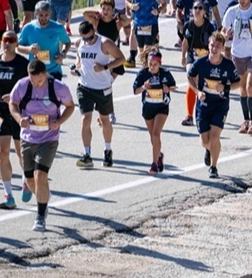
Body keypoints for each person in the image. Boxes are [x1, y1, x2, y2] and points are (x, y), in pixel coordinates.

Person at [9, 59, 75, 231]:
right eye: (33, 81)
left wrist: (59, 121)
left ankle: (40, 216)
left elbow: (70, 106)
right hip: (28, 138)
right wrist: (19, 119)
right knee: (30, 180)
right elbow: (13, 103)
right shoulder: (22, 85)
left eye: (39, 81)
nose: (37, 84)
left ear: (45, 74)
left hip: (48, 139)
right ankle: (43, 198)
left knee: (40, 175)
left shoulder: (58, 87)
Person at [73, 21, 126, 169]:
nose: (88, 41)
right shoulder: (79, 43)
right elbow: (79, 58)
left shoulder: (105, 43)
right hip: (84, 86)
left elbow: (121, 59)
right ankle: (87, 155)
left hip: (102, 87)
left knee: (104, 120)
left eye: (90, 38)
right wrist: (76, 67)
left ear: (94, 30)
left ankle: (107, 150)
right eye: (85, 39)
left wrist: (104, 67)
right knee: (85, 120)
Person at [187, 31, 240, 178]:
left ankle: (213, 167)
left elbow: (238, 83)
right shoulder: (201, 63)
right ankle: (209, 150)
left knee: (215, 137)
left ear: (222, 48)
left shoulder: (228, 65)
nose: (214, 48)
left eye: (217, 46)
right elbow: (190, 77)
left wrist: (226, 87)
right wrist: (198, 92)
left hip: (220, 105)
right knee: (205, 141)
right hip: (203, 105)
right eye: (212, 45)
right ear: (208, 45)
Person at [221, 0, 252, 136]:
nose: (241, 0)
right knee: (242, 88)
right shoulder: (232, 12)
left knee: (250, 86)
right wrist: (225, 35)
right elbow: (223, 30)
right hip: (238, 53)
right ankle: (245, 120)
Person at [132, 50, 176, 174]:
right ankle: (159, 155)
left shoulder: (165, 73)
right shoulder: (142, 74)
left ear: (160, 63)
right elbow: (135, 91)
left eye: (155, 64)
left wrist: (168, 89)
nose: (152, 67)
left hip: (162, 107)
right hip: (148, 108)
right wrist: (143, 87)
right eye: (150, 64)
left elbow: (173, 86)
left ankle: (154, 164)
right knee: (152, 137)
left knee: (156, 134)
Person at [0, 31, 28, 209]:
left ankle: (27, 181)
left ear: (17, 43)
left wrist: (14, 97)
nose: (7, 43)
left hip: (18, 112)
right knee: (2, 153)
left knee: (21, 153)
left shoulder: (23, 64)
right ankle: (9, 195)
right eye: (5, 40)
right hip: (2, 113)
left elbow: (33, 87)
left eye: (11, 40)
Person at [179, 0, 215, 127]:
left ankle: (207, 114)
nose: (197, 10)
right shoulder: (188, 25)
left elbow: (213, 44)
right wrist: (183, 56)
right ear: (191, 10)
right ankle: (189, 115)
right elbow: (185, 42)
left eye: (200, 8)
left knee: (205, 84)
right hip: (192, 55)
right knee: (191, 78)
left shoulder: (209, 27)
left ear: (204, 11)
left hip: (205, 56)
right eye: (195, 8)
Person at [17, 1, 71, 81]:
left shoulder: (58, 28)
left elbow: (68, 42)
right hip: (35, 72)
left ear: (50, 14)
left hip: (54, 71)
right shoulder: (28, 28)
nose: (44, 18)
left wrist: (63, 54)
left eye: (46, 15)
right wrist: (29, 49)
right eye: (41, 15)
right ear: (36, 14)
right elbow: (18, 46)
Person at [125, 0, 163, 68]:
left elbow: (164, 3)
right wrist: (131, 6)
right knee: (141, 50)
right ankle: (145, 67)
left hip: (151, 23)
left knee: (147, 50)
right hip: (139, 24)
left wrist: (158, 10)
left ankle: (147, 69)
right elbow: (127, 0)